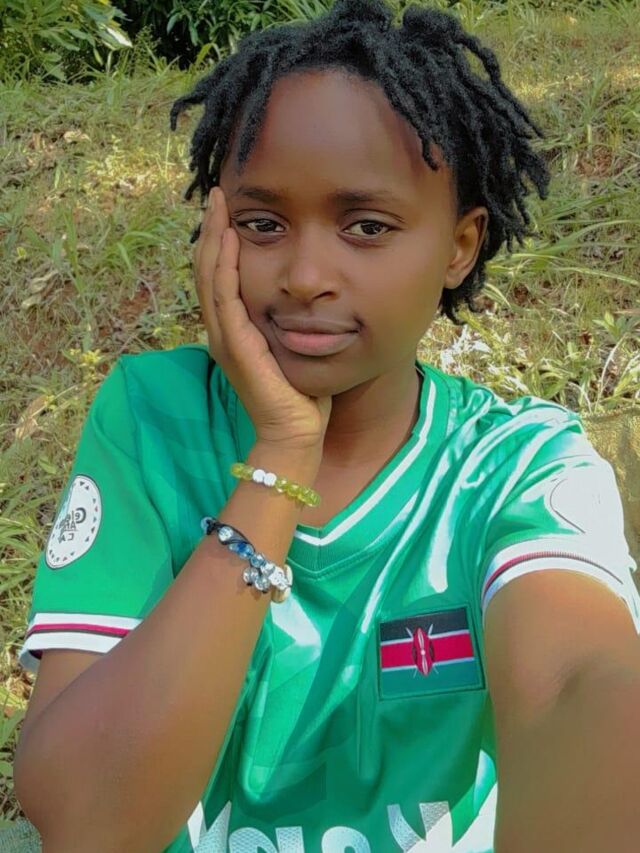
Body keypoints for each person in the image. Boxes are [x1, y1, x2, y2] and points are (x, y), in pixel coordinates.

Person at [12, 1, 640, 851]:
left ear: (459, 245)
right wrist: (280, 456)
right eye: (263, 224)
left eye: (367, 227)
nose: (306, 275)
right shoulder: (153, 421)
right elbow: (86, 820)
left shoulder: (515, 467)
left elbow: (578, 686)